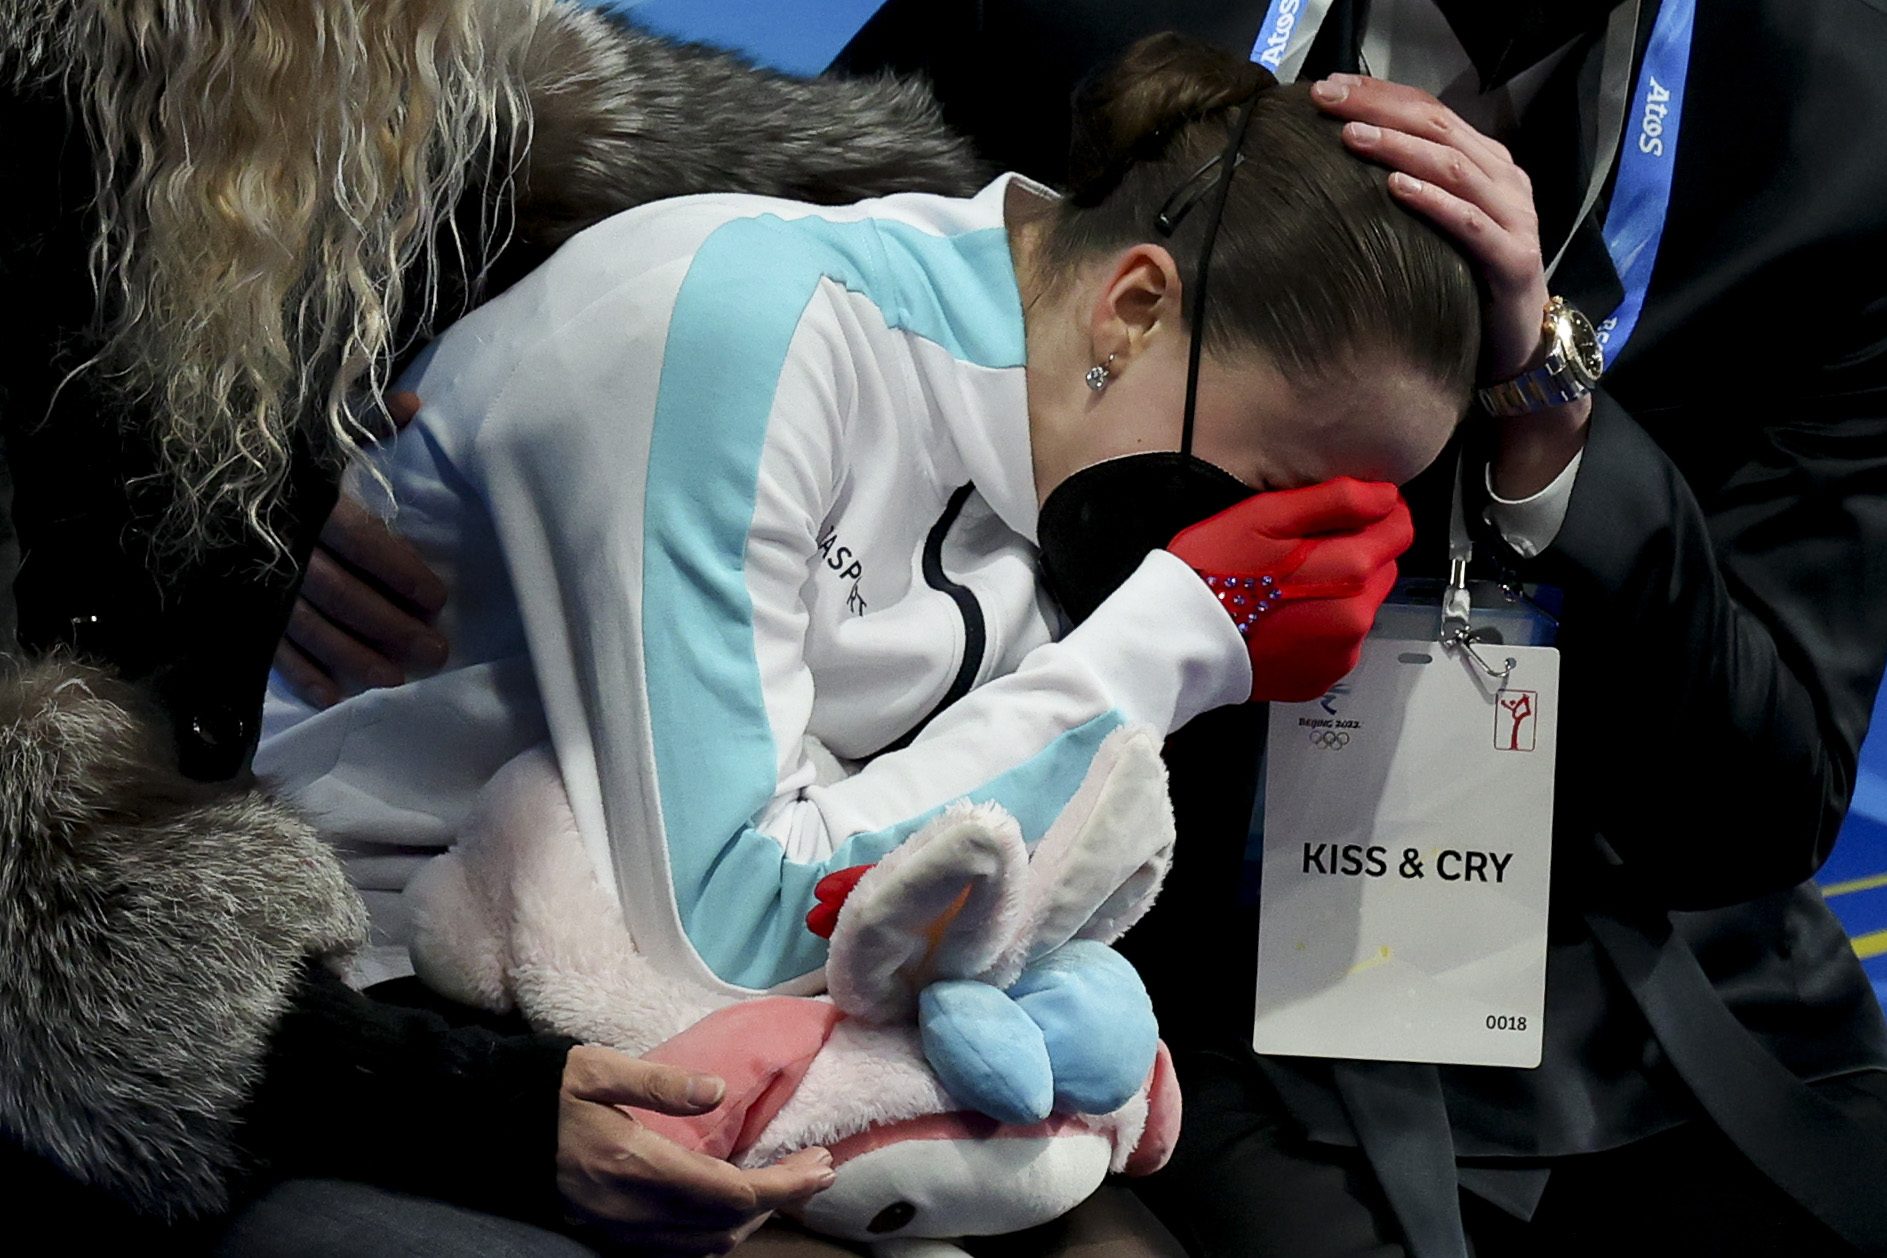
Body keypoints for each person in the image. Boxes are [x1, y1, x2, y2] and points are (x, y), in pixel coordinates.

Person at [825, 1, 1887, 1254]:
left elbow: (1761, 807)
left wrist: (1549, 407)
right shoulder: (1078, 23)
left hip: (1623, 960)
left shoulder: (1841, 133)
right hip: (1144, 952)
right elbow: (782, 316)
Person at [0, 0, 982, 1250]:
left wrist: (1252, 221)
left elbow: (884, 183)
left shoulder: (381, 70)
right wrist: (482, 1117)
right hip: (126, 1039)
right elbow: (46, 942)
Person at [254, 35, 1481, 1026]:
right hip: (359, 985)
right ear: (1137, 307)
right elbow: (720, 934)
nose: (1280, 546)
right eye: (1276, 486)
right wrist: (1168, 646)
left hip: (648, 1021)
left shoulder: (1083, 434)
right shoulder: (747, 328)